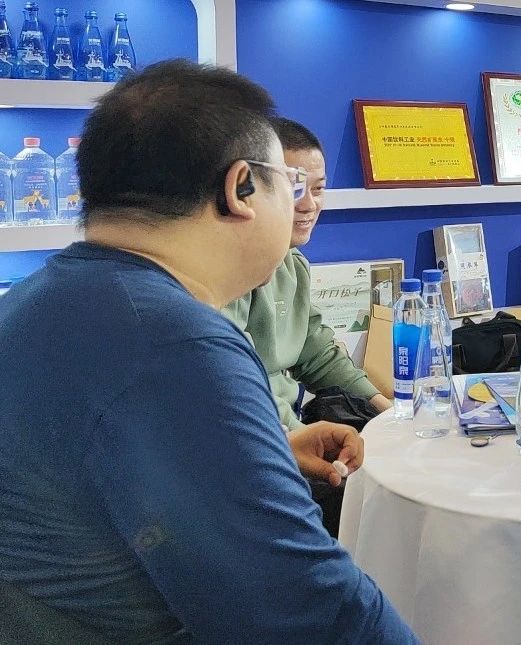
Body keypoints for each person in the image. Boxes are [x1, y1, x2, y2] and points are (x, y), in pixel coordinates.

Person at [0, 60, 417, 643]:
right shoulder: (176, 343)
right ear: (241, 188)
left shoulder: (35, 301)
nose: (301, 203)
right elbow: (308, 606)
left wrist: (267, 449)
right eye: (290, 183)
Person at [223, 118, 390, 537]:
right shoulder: (227, 272)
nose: (308, 204)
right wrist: (296, 440)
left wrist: (386, 408)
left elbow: (317, 352)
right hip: (258, 447)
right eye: (294, 188)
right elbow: (236, 382)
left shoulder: (292, 264)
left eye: (318, 189)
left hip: (288, 436)